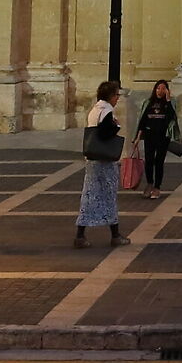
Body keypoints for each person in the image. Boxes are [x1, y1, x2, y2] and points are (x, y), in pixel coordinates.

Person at [74, 80, 126, 247]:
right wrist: (116, 126)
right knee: (109, 196)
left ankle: (80, 235)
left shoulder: (95, 109)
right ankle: (115, 235)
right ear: (110, 96)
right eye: (116, 95)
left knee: (89, 197)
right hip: (104, 160)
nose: (117, 98)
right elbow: (104, 133)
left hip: (92, 159)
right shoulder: (107, 111)